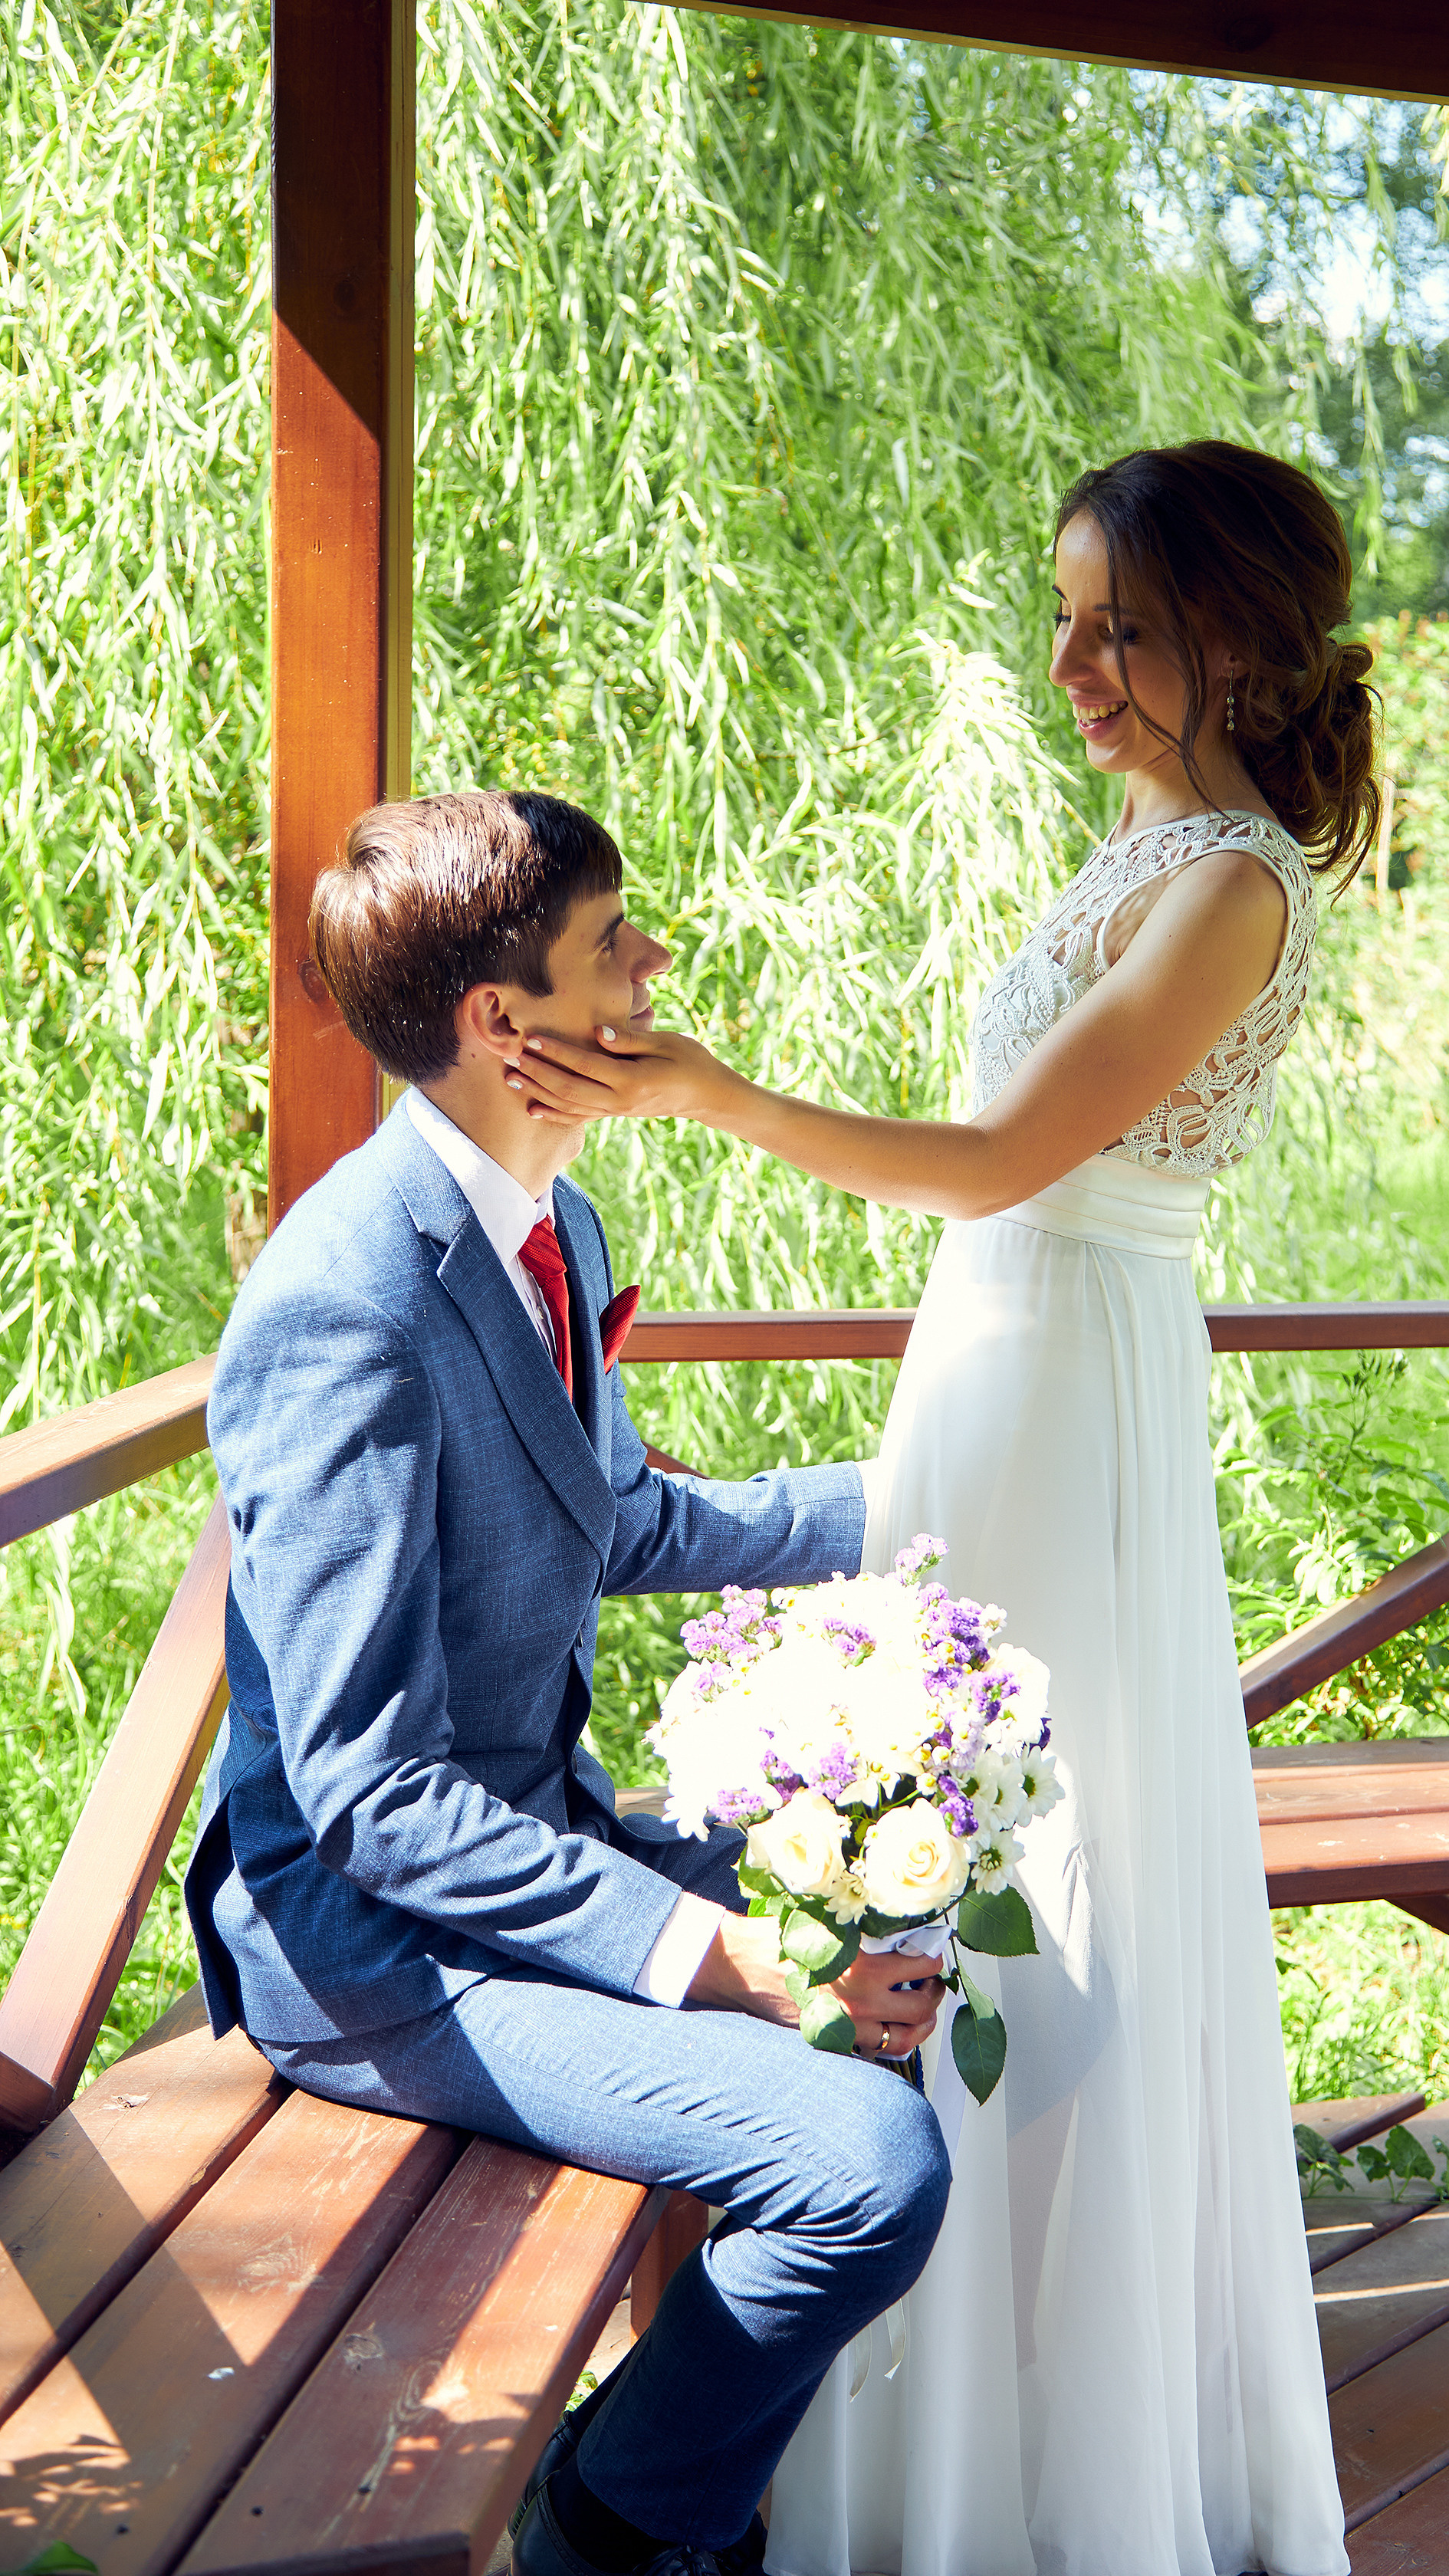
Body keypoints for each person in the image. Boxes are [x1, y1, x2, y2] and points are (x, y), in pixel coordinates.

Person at [502, 442, 1377, 2576]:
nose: (1069, 659)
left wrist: (709, 1089)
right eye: (1069, 609)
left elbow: (1002, 1167)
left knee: (1037, 1884)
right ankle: (899, 2398)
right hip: (997, 1372)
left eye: (1121, 626)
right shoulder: (1146, 843)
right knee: (928, 1862)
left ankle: (1031, 2457)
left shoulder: (1234, 883)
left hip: (1069, 1398)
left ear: (1234, 641)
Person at [185, 788, 952, 2576]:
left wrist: (922, 1488)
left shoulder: (554, 1227)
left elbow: (603, 1514)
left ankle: (691, 2490)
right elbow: (369, 1796)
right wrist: (702, 1950)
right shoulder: (344, 1305)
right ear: (498, 1023)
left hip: (533, 1848)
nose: (655, 962)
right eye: (616, 942)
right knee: (861, 2161)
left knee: (923, 1960)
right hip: (374, 1946)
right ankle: (614, 2532)